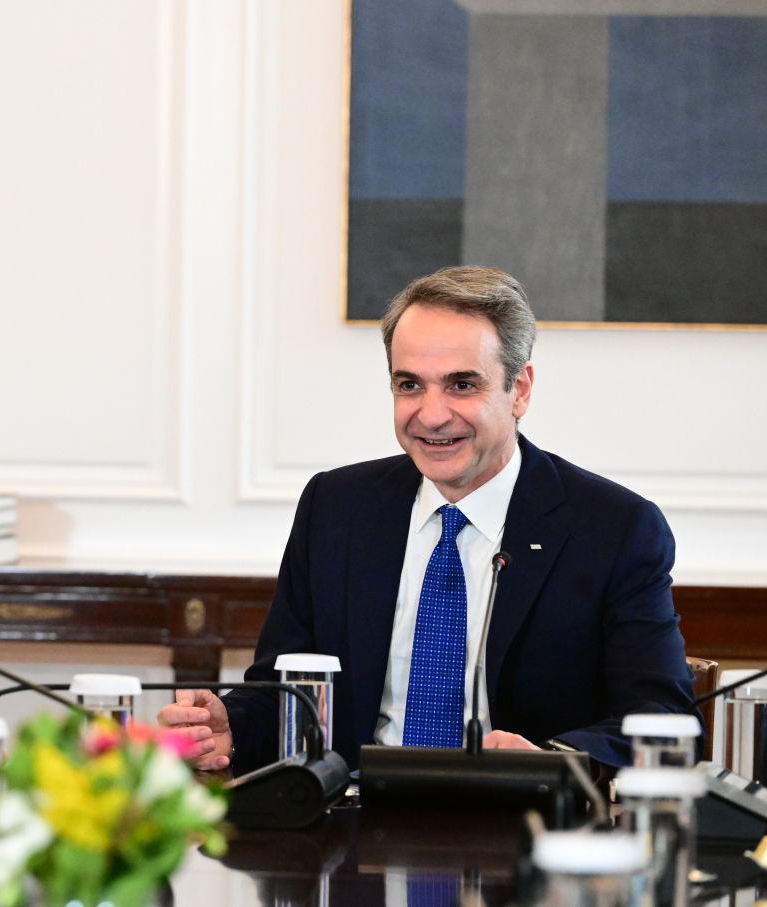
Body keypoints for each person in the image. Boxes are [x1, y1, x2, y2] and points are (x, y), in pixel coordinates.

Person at [160, 266, 695, 773]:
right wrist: (232, 727)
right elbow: (286, 692)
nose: (432, 415)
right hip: (353, 816)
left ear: (520, 389)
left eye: (462, 385)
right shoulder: (336, 507)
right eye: (410, 385)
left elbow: (665, 722)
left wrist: (552, 760)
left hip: (518, 823)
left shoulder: (613, 529)